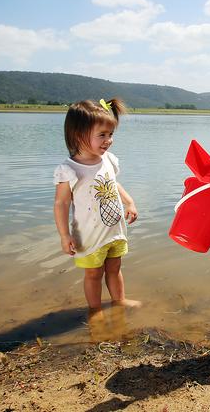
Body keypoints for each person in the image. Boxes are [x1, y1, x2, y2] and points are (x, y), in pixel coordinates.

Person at [53, 98, 141, 334]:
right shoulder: (70, 169)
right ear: (78, 134)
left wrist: (129, 202)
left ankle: (119, 302)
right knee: (93, 274)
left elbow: (114, 183)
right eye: (102, 135)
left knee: (115, 268)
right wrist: (64, 235)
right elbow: (61, 203)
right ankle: (95, 310)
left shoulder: (109, 161)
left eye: (110, 134)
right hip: (89, 235)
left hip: (114, 231)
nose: (108, 140)